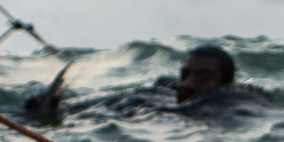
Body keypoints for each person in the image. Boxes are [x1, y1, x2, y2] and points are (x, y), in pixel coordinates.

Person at [22, 45, 241, 121]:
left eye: (203, 78)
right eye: (185, 75)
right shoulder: (166, 87)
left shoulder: (231, 104)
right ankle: (58, 108)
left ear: (225, 83)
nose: (189, 84)